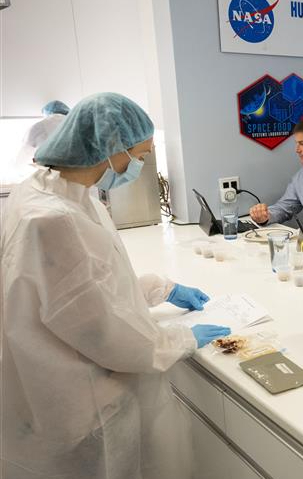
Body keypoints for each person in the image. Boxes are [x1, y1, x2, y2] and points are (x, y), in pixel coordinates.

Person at [0, 92, 231, 479]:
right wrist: (178, 340)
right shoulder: (54, 219)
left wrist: (158, 287)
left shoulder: (54, 192)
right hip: (77, 399)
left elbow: (81, 290)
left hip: (53, 380)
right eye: (139, 154)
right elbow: (103, 332)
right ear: (111, 148)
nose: (140, 164)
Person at [10, 100, 71, 181]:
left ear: (46, 113)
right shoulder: (77, 125)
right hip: (78, 179)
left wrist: (19, 172)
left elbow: (22, 160)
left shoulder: (38, 127)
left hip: (49, 180)